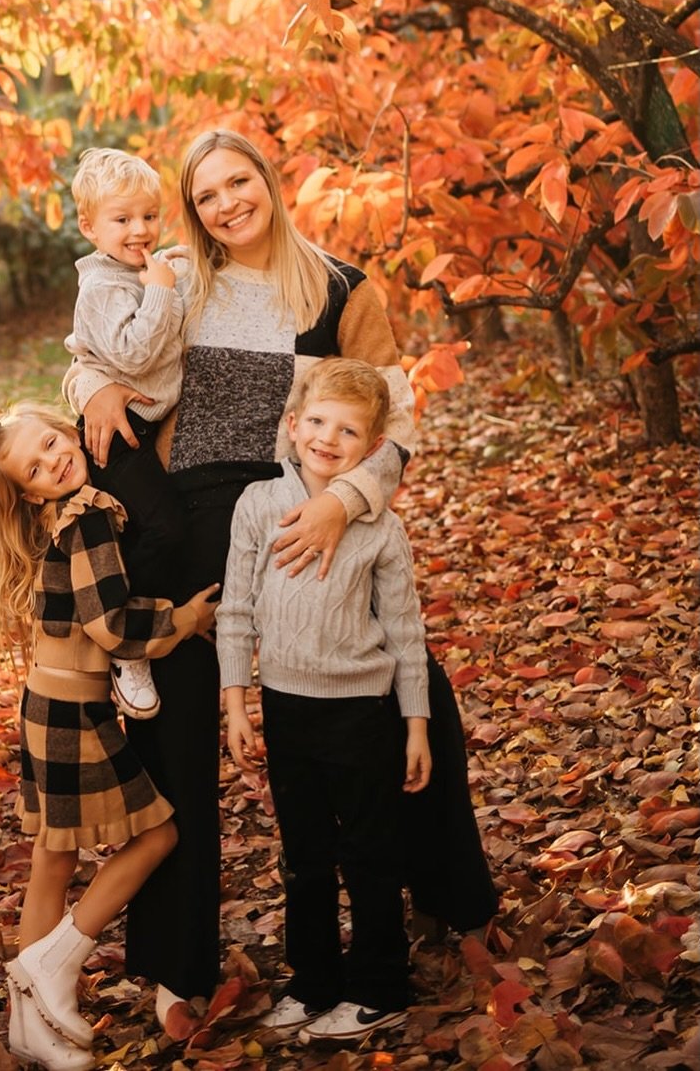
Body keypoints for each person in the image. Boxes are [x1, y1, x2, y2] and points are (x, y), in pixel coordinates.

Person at [67, 128, 497, 1031]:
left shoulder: (341, 289)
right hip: (200, 511)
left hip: (309, 504)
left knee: (405, 690)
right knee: (180, 720)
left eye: (239, 182)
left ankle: (449, 904)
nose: (227, 205)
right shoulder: (182, 274)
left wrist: (344, 500)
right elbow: (102, 333)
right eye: (207, 194)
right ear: (190, 209)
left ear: (268, 181)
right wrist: (84, 386)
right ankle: (173, 966)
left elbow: (398, 420)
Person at [0, 404, 218, 1070]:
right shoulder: (85, 516)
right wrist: (184, 617)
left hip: (48, 701)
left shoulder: (60, 516)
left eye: (52, 442)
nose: (54, 458)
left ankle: (30, 1022)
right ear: (29, 491)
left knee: (54, 857)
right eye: (36, 465)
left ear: (66, 427)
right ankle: (52, 967)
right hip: (71, 716)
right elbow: (111, 624)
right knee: (159, 833)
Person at [219, 358, 432, 1044]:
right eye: (315, 421)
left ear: (371, 449)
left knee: (368, 852)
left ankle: (378, 989)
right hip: (285, 706)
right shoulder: (256, 504)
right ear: (291, 426)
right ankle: (312, 980)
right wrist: (235, 705)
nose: (326, 437)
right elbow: (235, 611)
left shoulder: (377, 527)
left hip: (360, 712)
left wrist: (416, 726)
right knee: (303, 853)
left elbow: (405, 630)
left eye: (346, 430)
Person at [64, 146, 186, 719]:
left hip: (144, 424)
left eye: (149, 216)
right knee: (164, 528)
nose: (140, 230)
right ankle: (124, 643)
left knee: (146, 527)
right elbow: (135, 354)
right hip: (120, 431)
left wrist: (171, 266)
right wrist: (162, 287)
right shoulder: (105, 287)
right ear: (89, 226)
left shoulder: (137, 268)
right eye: (122, 219)